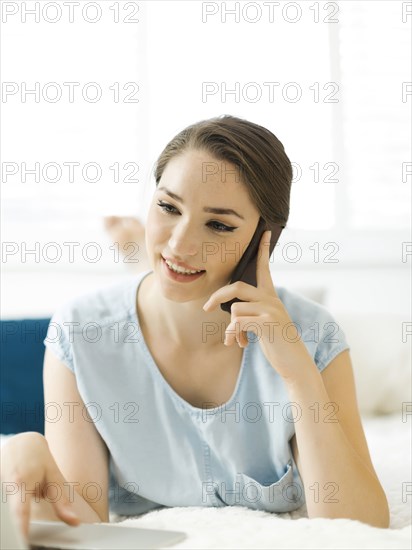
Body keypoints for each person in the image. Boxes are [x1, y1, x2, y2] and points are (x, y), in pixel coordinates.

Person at [1, 116, 390, 542]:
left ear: (265, 239)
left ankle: (139, 257)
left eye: (219, 225)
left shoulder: (314, 336)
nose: (180, 244)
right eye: (168, 207)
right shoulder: (77, 331)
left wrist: (300, 376)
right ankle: (137, 258)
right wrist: (30, 453)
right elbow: (84, 524)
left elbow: (360, 529)